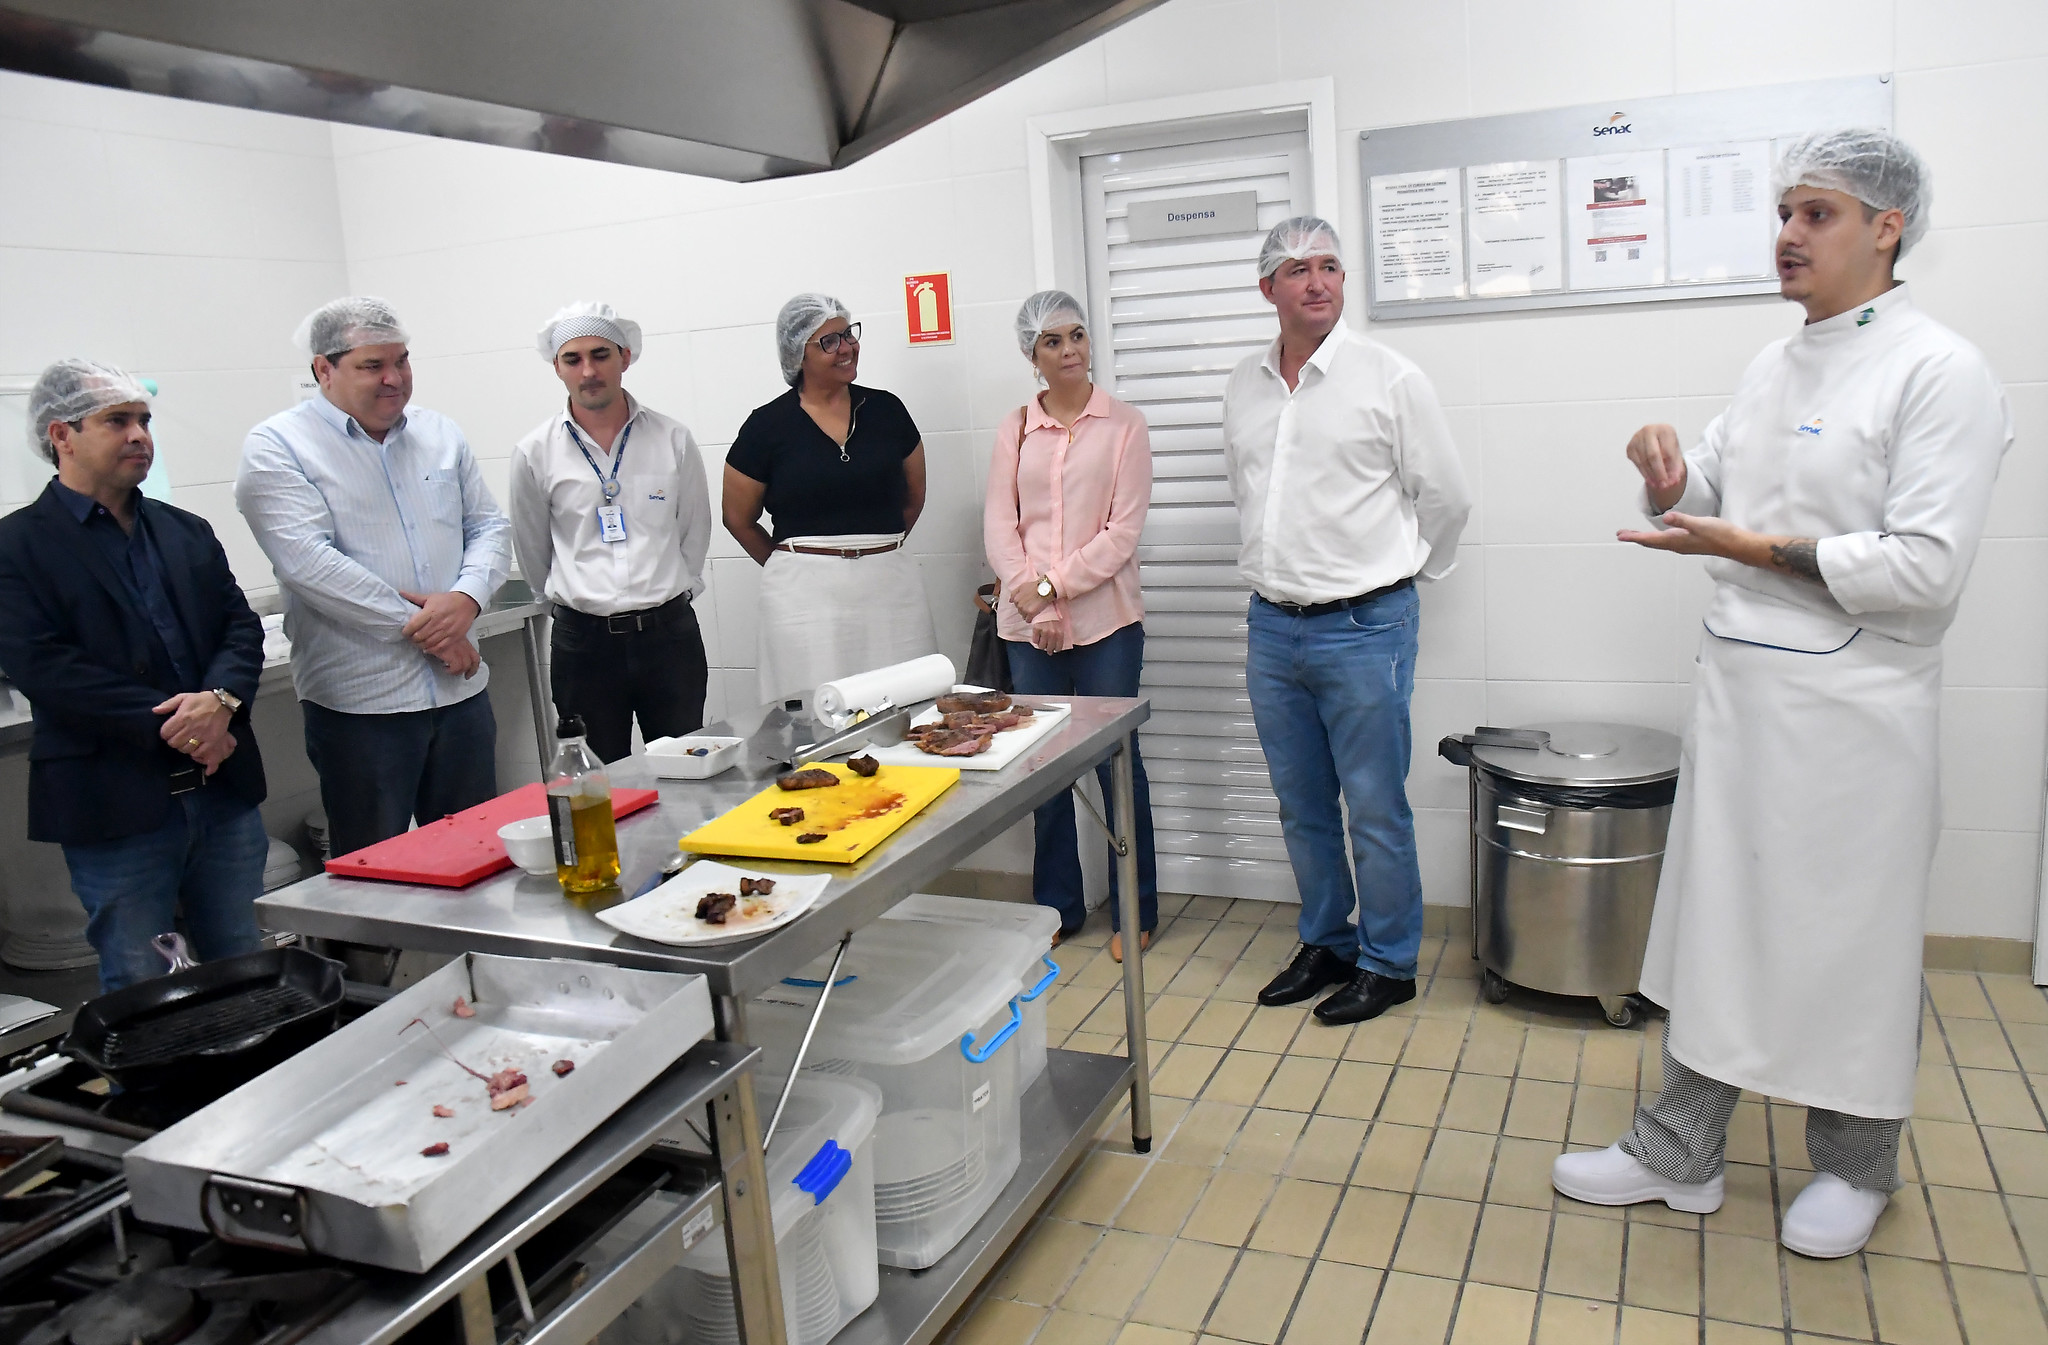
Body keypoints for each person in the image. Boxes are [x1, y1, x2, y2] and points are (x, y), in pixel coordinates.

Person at [1553, 131, 2012, 1258]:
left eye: (1815, 214)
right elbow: (1713, 488)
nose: (1786, 235)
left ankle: (1856, 1163)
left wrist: (1753, 548)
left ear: (1885, 226)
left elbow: (1922, 566)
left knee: (1844, 942)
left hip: (1856, 716)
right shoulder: (1777, 361)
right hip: (1744, 700)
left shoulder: (1938, 371)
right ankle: (1679, 1149)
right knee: (1720, 925)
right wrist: (1669, 476)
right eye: (1784, 213)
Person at [1222, 217, 1471, 1026]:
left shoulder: (1389, 377)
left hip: (1366, 628)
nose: (1319, 282)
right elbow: (1253, 493)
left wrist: (1401, 581)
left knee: (1374, 803)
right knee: (1301, 803)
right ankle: (1327, 939)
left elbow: (1448, 499)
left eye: (1330, 266)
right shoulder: (1245, 384)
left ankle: (1390, 960)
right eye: (1298, 269)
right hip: (1273, 627)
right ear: (1269, 289)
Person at [0, 361, 267, 991]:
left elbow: (239, 627)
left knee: (243, 962)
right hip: (116, 801)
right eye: (116, 421)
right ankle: (169, 1090)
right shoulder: (18, 547)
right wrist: (188, 725)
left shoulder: (183, 531)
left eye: (143, 421)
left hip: (221, 792)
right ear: (60, 434)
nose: (139, 435)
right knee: (144, 978)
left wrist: (221, 703)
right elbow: (45, 667)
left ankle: (252, 1084)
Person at [237, 297, 512, 858]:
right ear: (323, 370)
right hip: (362, 706)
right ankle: (372, 954)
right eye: (371, 366)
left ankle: (472, 952)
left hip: (460, 692)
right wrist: (435, 630)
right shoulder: (278, 446)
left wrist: (465, 599)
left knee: (477, 856)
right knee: (376, 871)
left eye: (402, 361)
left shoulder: (439, 434)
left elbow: (487, 525)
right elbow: (311, 565)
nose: (394, 379)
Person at [984, 291, 1157, 962]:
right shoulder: (1015, 428)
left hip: (1107, 620)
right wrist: (1036, 601)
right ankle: (1058, 904)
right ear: (1033, 356)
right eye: (1053, 341)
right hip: (1029, 624)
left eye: (1078, 335)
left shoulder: (1125, 426)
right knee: (1045, 768)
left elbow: (1123, 532)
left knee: (1119, 762)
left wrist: (1054, 588)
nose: (1071, 350)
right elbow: (1001, 524)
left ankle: (1134, 906)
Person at [510, 301, 713, 763]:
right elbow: (532, 548)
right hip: (584, 647)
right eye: (572, 359)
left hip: (669, 637)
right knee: (598, 783)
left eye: (600, 355)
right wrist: (573, 608)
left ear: (625, 357)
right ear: (557, 367)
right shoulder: (534, 453)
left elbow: (693, 533)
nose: (588, 371)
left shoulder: (672, 439)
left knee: (686, 770)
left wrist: (667, 594)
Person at [723, 293, 937, 706]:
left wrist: (875, 550)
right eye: (829, 341)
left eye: (848, 335)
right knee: (811, 716)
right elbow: (737, 518)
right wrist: (797, 562)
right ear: (796, 353)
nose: (847, 348)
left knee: (907, 707)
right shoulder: (767, 426)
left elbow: (914, 496)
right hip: (802, 599)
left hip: (891, 589)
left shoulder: (887, 410)